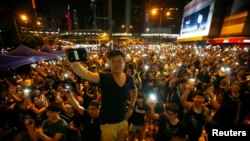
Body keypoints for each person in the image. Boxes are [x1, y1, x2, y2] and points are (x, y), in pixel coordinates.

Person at [68, 49, 138, 141]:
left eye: (119, 61)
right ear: (109, 63)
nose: (116, 64)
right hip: (108, 123)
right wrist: (72, 61)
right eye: (113, 61)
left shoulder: (129, 79)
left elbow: (135, 90)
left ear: (124, 63)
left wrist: (132, 107)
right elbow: (85, 73)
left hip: (123, 121)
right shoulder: (104, 77)